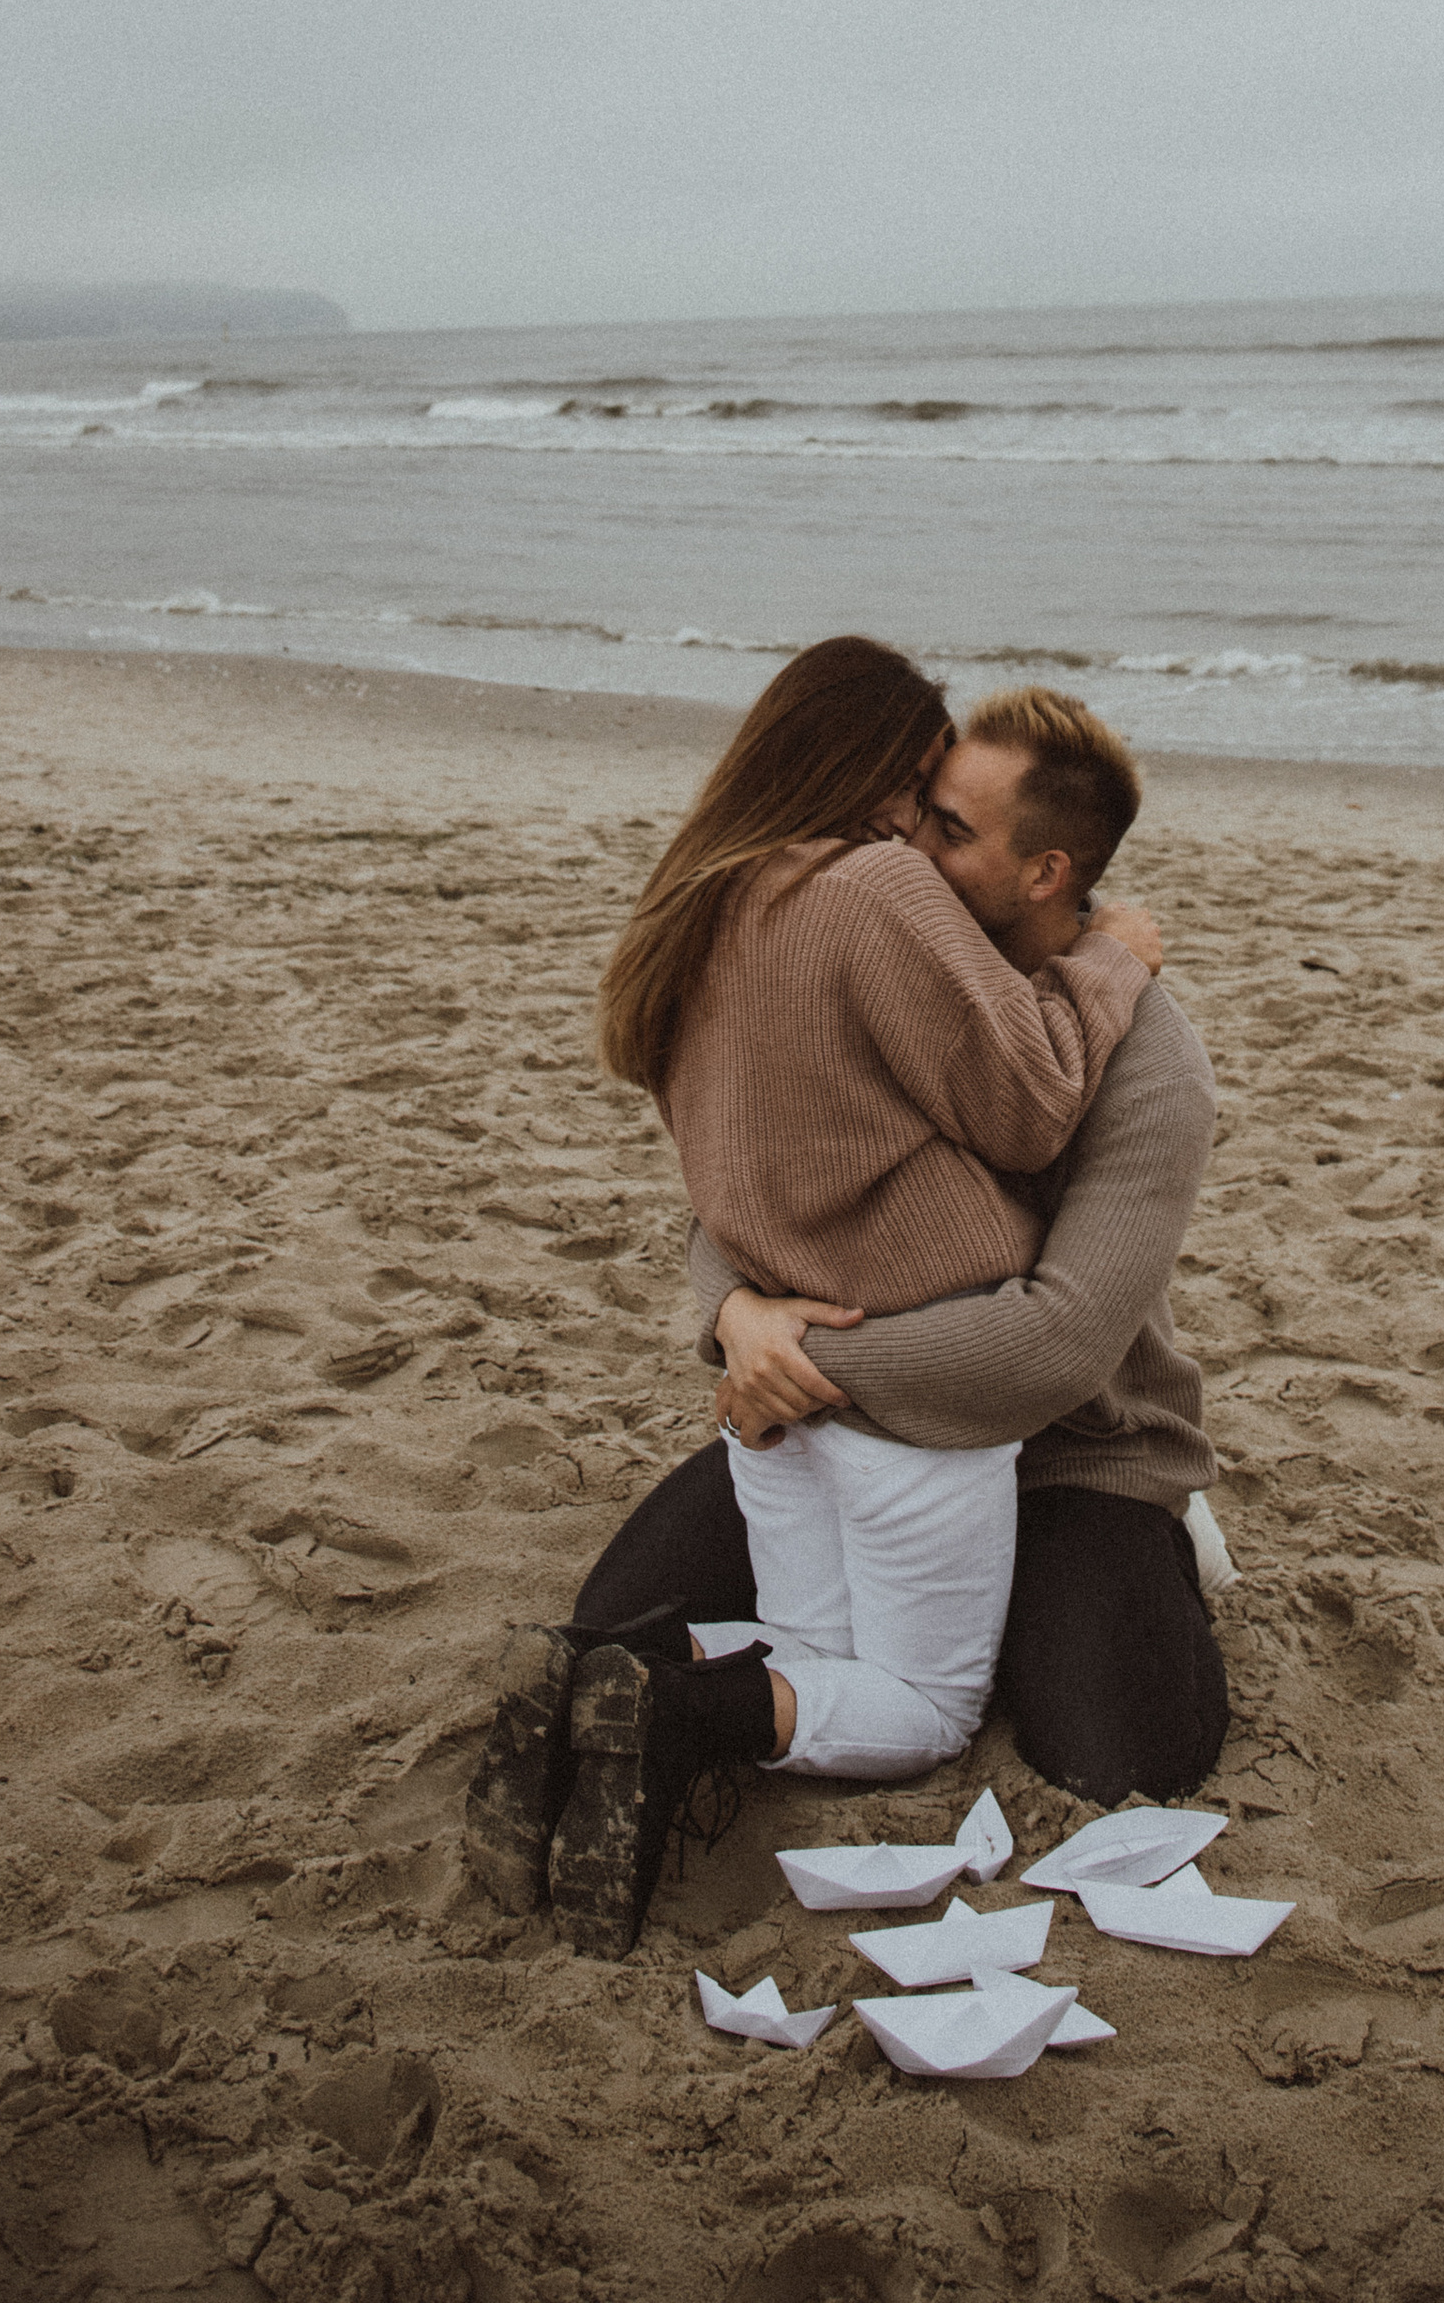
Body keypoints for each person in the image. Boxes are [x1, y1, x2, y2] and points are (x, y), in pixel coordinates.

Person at [462, 644, 1176, 1955]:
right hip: (910, 1407)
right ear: (863, 776)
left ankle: (610, 1700)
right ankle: (676, 1709)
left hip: (793, 1405)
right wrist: (1110, 966)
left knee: (823, 1661)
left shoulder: (711, 901)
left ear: (1045, 869)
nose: (915, 831)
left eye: (944, 818)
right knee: (920, 1713)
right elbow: (1022, 1111)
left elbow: (736, 1183)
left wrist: (752, 1326)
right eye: (918, 795)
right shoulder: (876, 890)